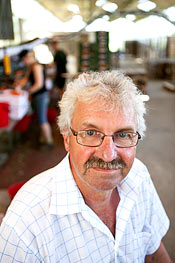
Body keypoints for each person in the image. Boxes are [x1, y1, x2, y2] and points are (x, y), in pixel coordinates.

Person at [0, 71, 171, 262]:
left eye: (123, 135)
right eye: (90, 132)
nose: (108, 155)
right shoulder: (25, 225)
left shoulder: (139, 176)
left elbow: (154, 251)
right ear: (66, 139)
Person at [18, 49, 54, 148]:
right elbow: (25, 79)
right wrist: (19, 86)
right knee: (40, 118)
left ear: (26, 58)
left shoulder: (36, 66)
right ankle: (43, 139)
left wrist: (27, 92)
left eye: (23, 60)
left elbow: (39, 84)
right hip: (38, 96)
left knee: (42, 120)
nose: (23, 62)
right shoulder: (31, 66)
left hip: (41, 96)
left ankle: (49, 142)